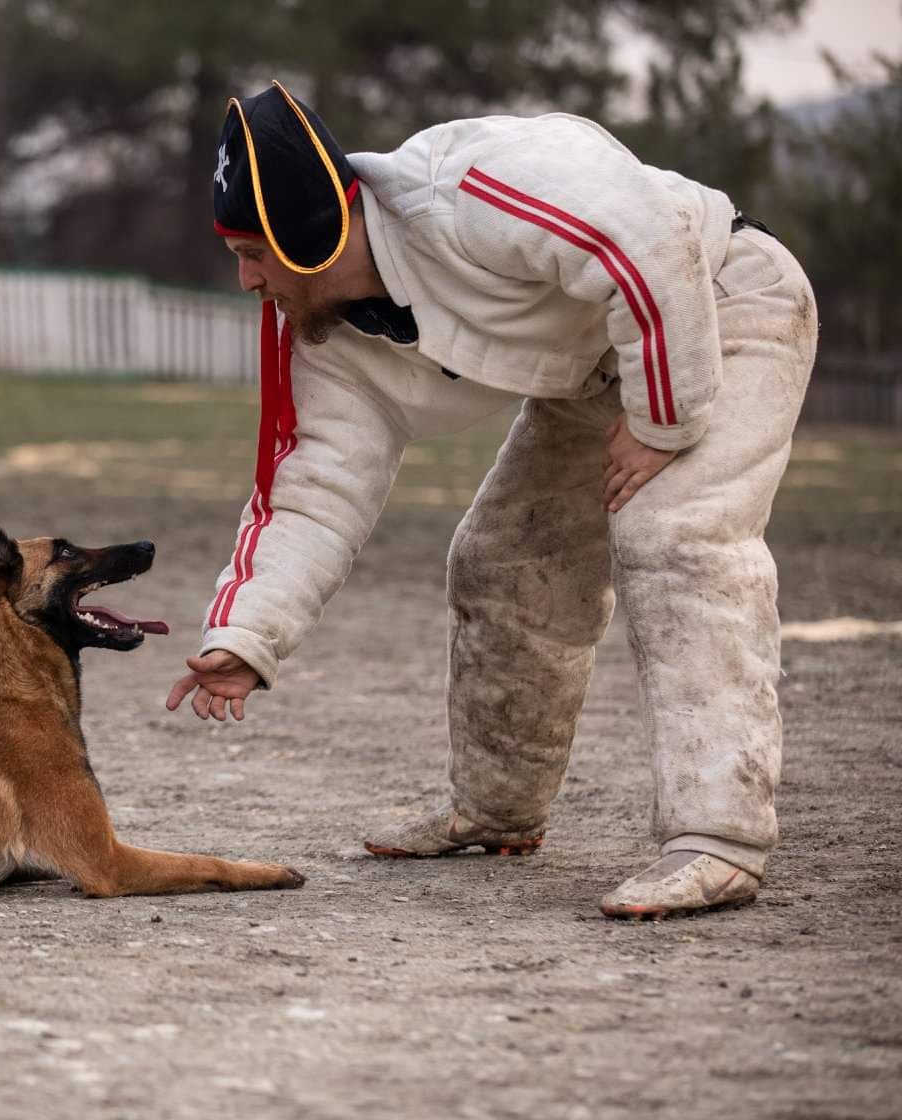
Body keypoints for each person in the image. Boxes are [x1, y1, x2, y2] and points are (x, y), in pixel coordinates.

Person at [164, 81, 818, 919]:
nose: (249, 280)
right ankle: (498, 811)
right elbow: (312, 493)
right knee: (503, 558)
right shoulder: (324, 339)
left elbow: (642, 242)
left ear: (309, 233)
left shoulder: (465, 185)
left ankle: (719, 840)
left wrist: (662, 419)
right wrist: (247, 633)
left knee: (676, 535)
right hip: (598, 365)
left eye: (254, 252)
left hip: (719, 303)